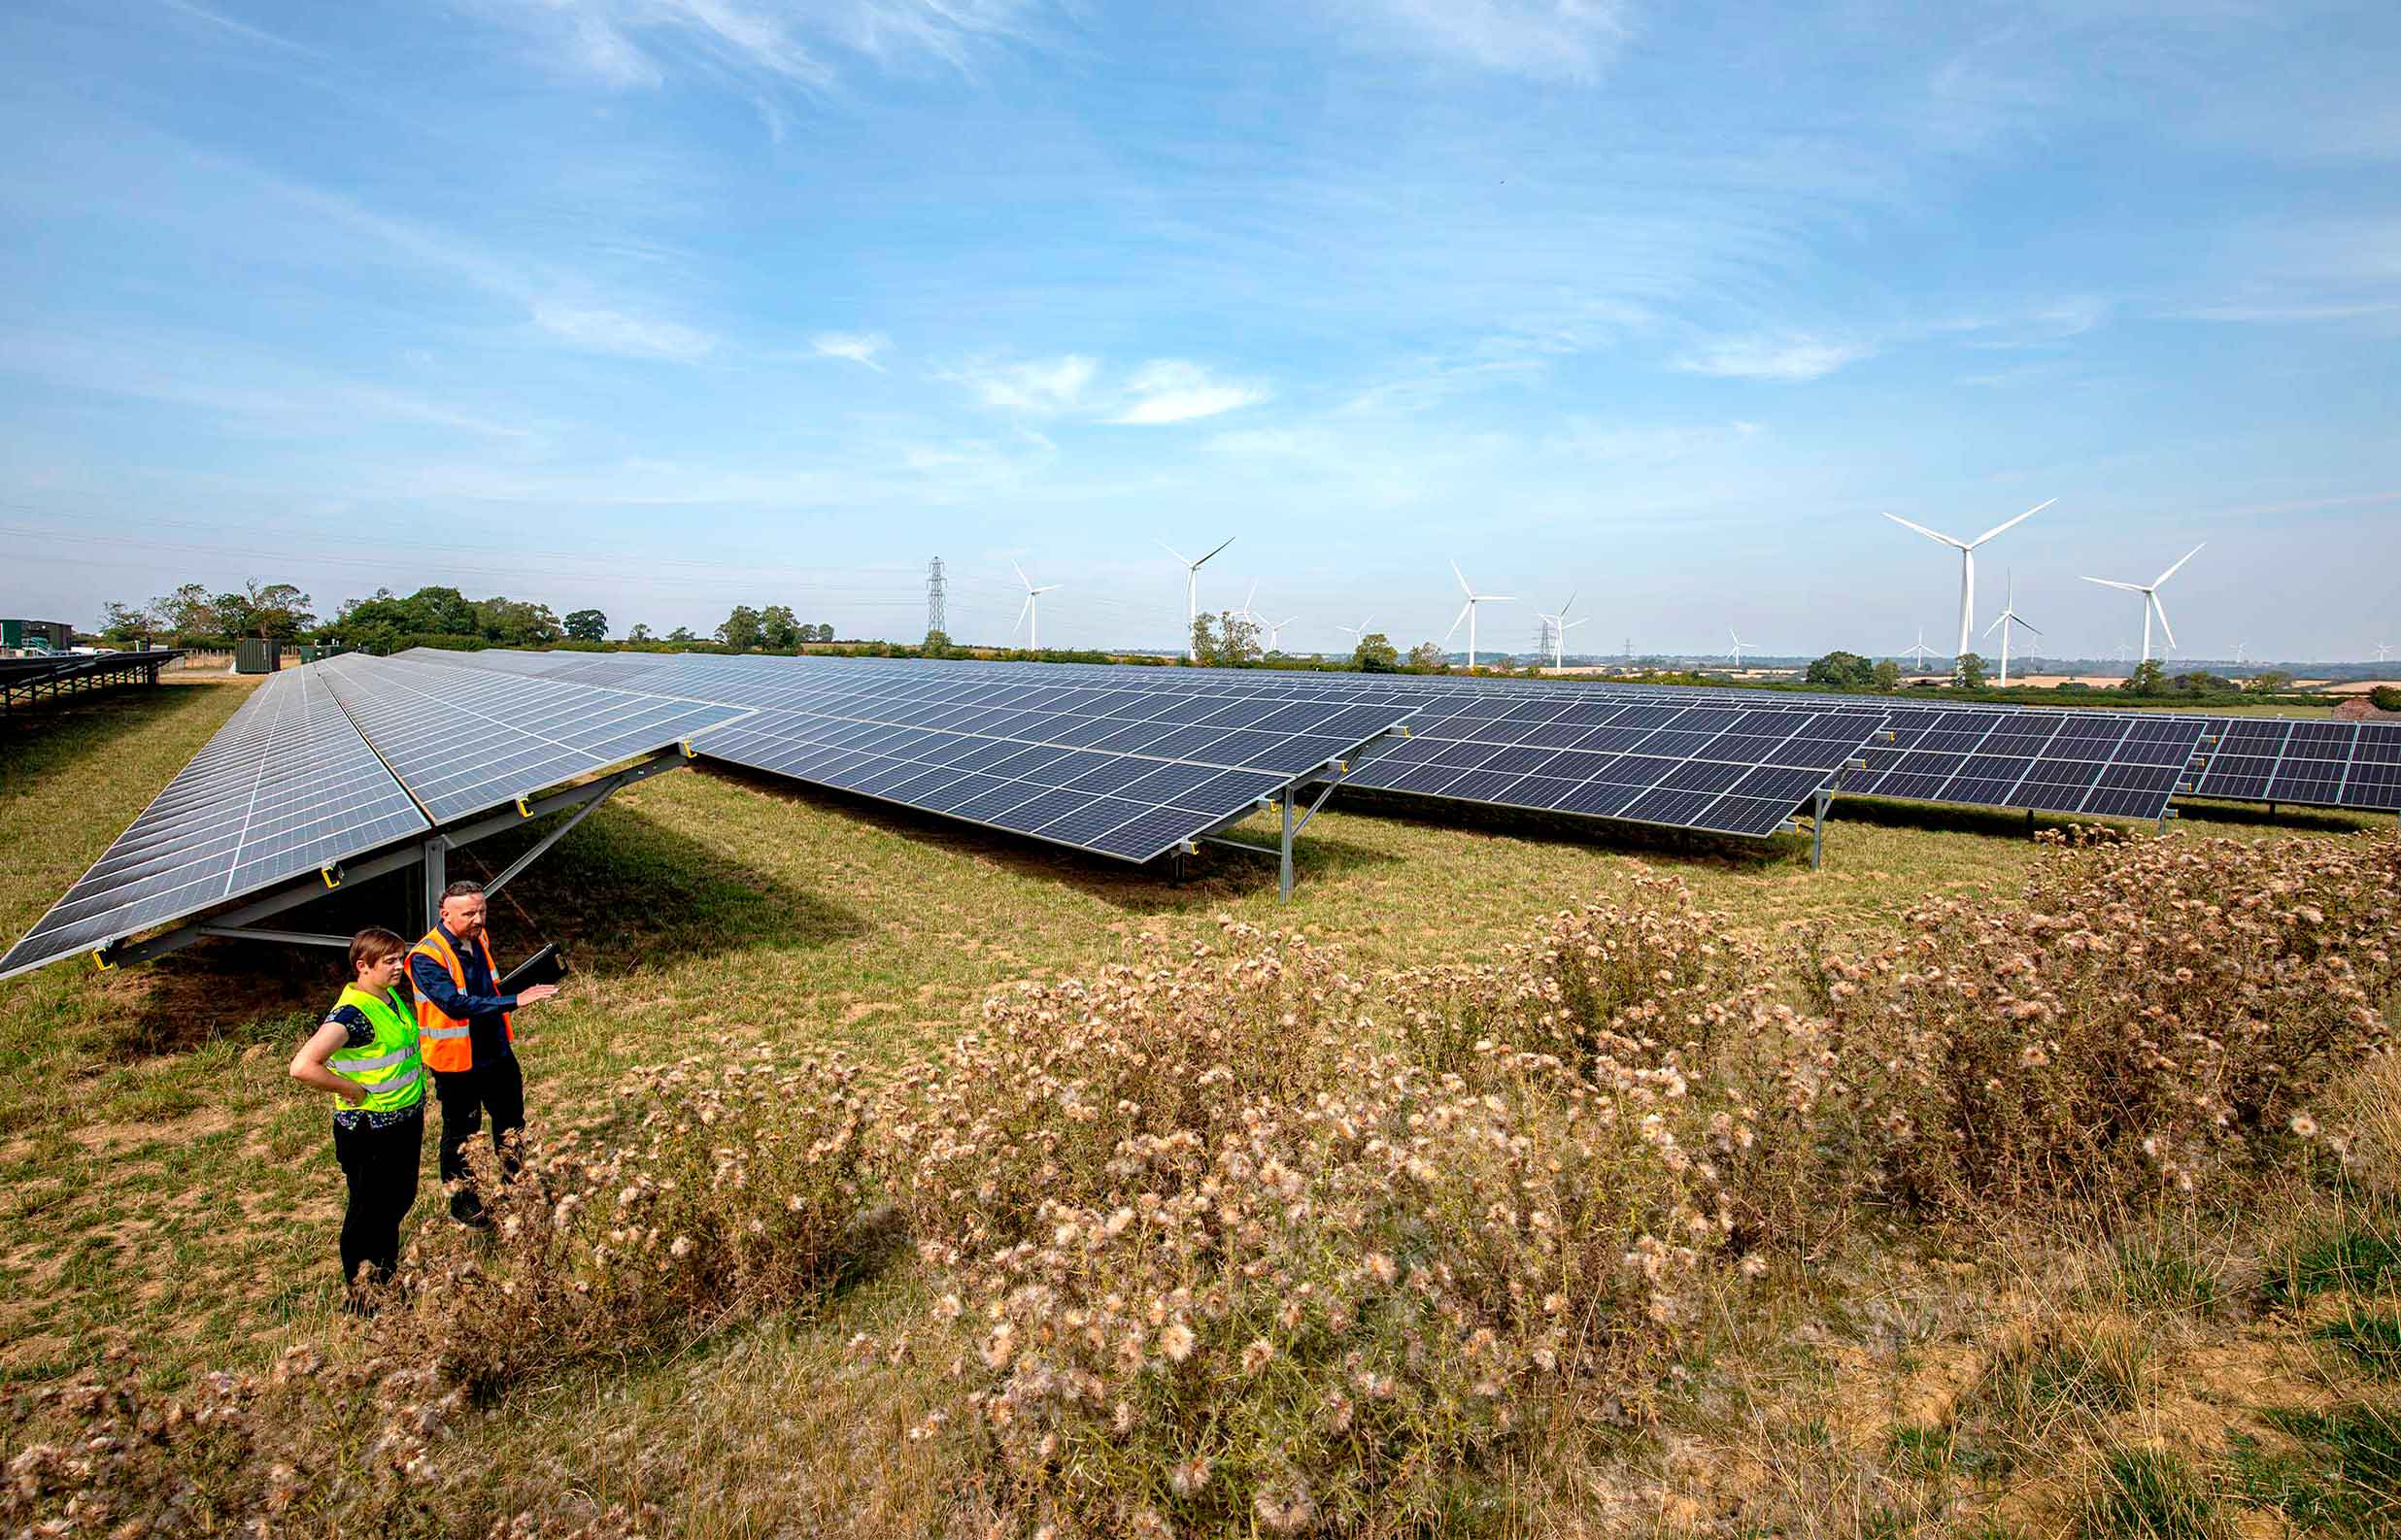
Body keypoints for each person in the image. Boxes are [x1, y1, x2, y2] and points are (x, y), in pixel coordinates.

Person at [410, 880, 559, 1225]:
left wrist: (523, 986)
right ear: (445, 914)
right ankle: (463, 1202)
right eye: (469, 913)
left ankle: (516, 1186)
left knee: (511, 1123)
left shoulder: (479, 938)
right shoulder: (426, 957)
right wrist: (514, 1000)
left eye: (482, 911)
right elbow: (454, 1004)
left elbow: (488, 987)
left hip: (495, 1050)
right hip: (457, 1062)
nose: (479, 919)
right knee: (462, 1133)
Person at [288, 926, 425, 1302]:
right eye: (390, 961)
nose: (399, 967)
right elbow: (302, 1066)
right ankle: (365, 1294)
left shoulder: (389, 998)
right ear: (362, 966)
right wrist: (351, 1090)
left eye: (401, 958)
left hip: (401, 1120)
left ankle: (385, 1277)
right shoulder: (352, 1015)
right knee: (369, 1211)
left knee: (396, 1201)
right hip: (372, 1130)